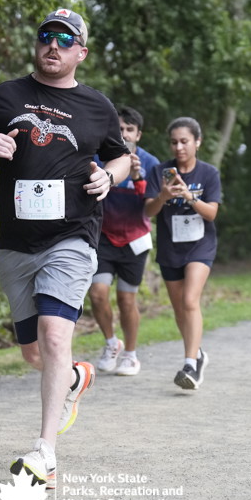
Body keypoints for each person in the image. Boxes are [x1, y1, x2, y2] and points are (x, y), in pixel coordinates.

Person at [0, 8, 131, 488]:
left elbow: (121, 157)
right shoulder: (6, 96)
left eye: (65, 40)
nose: (54, 45)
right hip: (15, 243)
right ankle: (73, 378)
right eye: (47, 36)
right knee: (34, 353)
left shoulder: (97, 106)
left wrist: (108, 177)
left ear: (81, 52)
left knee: (54, 337)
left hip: (71, 236)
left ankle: (45, 454)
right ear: (37, 44)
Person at [144, 117, 221, 390]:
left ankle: (190, 365)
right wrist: (163, 197)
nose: (179, 147)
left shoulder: (208, 173)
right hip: (171, 246)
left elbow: (212, 213)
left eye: (184, 141)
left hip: (200, 245)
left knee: (190, 301)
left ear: (197, 142)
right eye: (174, 142)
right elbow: (148, 212)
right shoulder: (159, 171)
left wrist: (190, 196)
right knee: (179, 308)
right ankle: (197, 352)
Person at [89, 106, 160, 377]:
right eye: (119, 129)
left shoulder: (150, 163)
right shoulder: (98, 158)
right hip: (103, 237)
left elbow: (150, 208)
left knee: (126, 300)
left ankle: (130, 354)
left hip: (134, 240)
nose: (124, 134)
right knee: (97, 294)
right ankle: (111, 343)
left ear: (138, 135)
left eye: (130, 129)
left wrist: (138, 177)